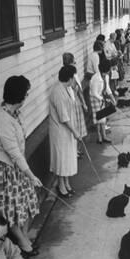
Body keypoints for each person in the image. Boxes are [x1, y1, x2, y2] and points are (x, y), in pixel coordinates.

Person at [0, 75, 42, 256]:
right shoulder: (1, 119)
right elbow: (13, 152)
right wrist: (31, 175)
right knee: (12, 209)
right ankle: (24, 243)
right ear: (19, 95)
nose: (27, 96)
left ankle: (23, 238)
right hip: (6, 171)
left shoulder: (14, 113)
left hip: (18, 168)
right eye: (26, 93)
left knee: (29, 203)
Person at [49, 65, 81, 198]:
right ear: (69, 78)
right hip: (60, 131)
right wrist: (75, 132)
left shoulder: (66, 88)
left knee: (67, 158)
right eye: (74, 77)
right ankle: (61, 186)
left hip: (67, 130)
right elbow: (63, 117)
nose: (75, 79)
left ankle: (67, 183)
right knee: (61, 159)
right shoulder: (57, 92)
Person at [62, 52, 88, 157]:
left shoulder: (75, 74)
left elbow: (79, 90)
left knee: (78, 127)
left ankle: (77, 149)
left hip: (76, 102)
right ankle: (74, 151)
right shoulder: (65, 76)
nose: (74, 64)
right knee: (73, 127)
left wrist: (84, 103)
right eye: (73, 62)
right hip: (70, 105)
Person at [89, 60, 115, 144]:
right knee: (98, 118)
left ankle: (104, 136)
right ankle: (99, 136)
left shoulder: (106, 76)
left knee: (103, 118)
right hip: (95, 98)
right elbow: (94, 93)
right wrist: (102, 99)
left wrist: (112, 98)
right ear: (104, 69)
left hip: (100, 97)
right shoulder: (95, 78)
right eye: (108, 69)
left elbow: (107, 88)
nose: (109, 71)